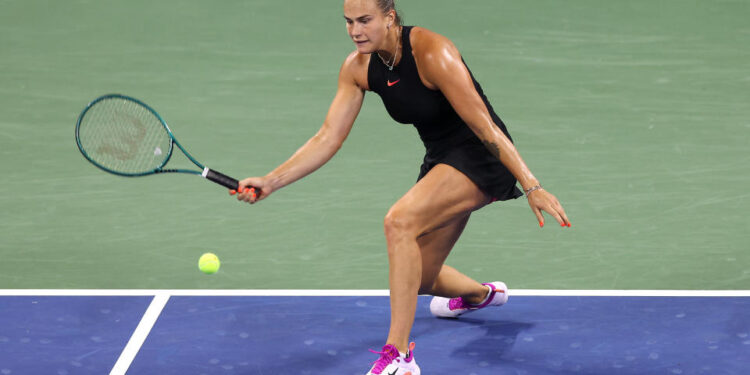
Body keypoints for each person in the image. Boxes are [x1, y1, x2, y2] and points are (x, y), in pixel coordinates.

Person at [233, 0, 571, 373]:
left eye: (365, 20)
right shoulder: (358, 67)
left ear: (390, 17)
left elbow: (485, 127)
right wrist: (272, 180)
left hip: (481, 157)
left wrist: (531, 184)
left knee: (399, 221)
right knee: (420, 279)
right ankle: (481, 295)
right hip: (441, 159)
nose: (355, 30)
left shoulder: (431, 51)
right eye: (348, 22)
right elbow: (328, 137)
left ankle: (399, 356)